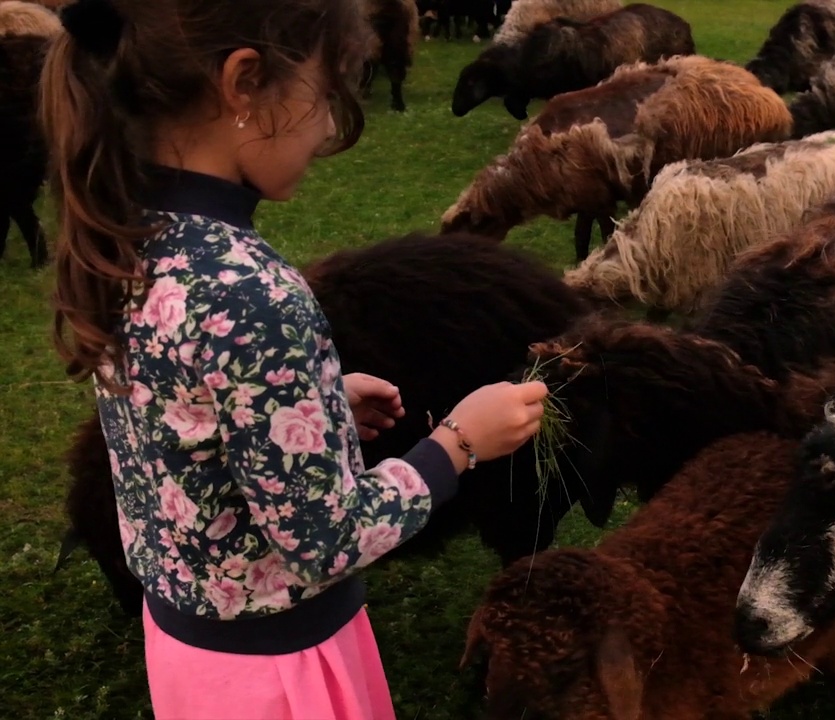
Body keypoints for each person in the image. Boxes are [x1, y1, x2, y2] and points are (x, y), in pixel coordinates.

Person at [40, 0, 548, 717]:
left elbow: (177, 410)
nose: (331, 127)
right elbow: (325, 540)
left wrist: (314, 400)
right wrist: (459, 442)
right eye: (327, 93)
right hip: (280, 672)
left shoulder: (127, 238)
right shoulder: (251, 292)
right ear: (244, 82)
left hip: (191, 651)